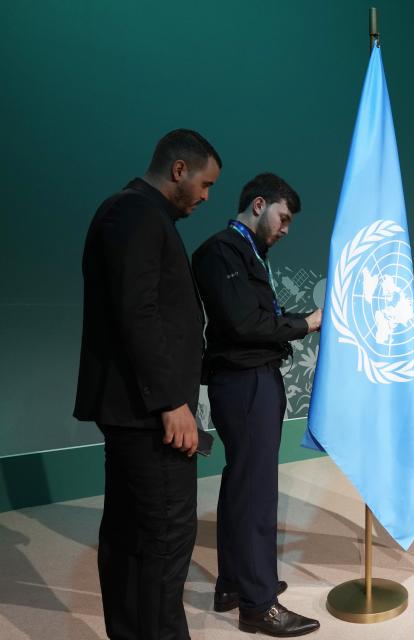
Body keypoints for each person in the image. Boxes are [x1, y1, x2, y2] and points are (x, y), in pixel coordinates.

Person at [74, 129, 221, 640]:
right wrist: (169, 403)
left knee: (135, 535)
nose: (206, 197)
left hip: (138, 410)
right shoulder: (134, 213)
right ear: (178, 170)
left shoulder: (137, 213)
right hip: (148, 414)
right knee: (163, 537)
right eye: (204, 184)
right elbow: (137, 314)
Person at [192, 173, 322, 637]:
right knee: (258, 493)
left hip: (251, 380)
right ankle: (260, 603)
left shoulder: (249, 253)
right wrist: (307, 324)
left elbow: (258, 318)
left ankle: (234, 585)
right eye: (283, 218)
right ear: (259, 204)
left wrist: (295, 323)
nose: (285, 229)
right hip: (244, 382)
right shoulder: (222, 250)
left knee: (242, 485)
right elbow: (246, 324)